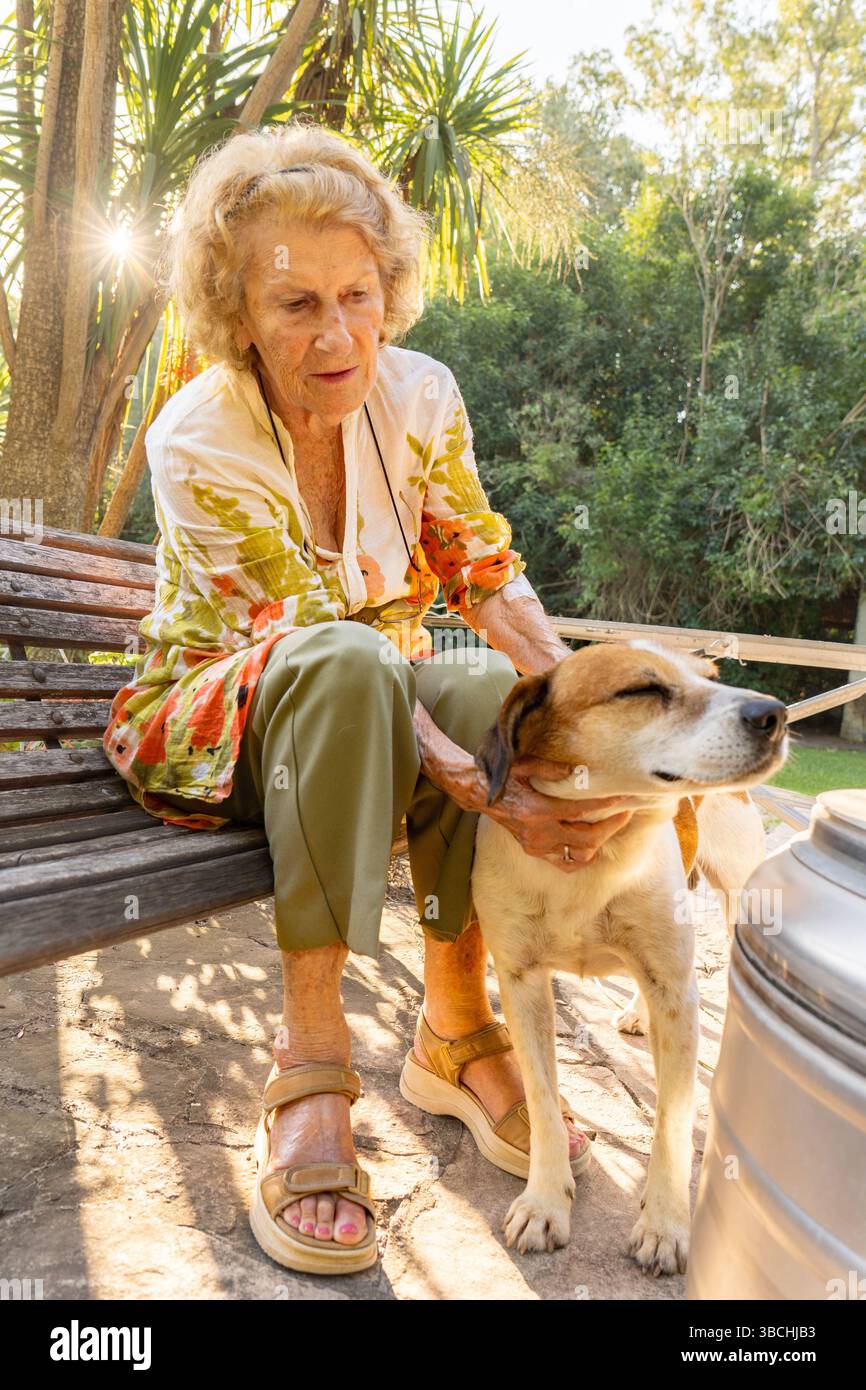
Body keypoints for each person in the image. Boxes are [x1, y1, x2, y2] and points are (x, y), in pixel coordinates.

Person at [103, 119, 632, 1274]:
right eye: (295, 305)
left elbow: (483, 575)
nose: (338, 333)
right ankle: (311, 1065)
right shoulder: (198, 435)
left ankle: (451, 1029)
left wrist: (584, 733)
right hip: (218, 722)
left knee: (484, 680)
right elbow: (312, 642)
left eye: (358, 294)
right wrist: (486, 787)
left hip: (371, 704)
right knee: (358, 665)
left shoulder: (421, 394)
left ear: (388, 289)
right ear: (235, 315)